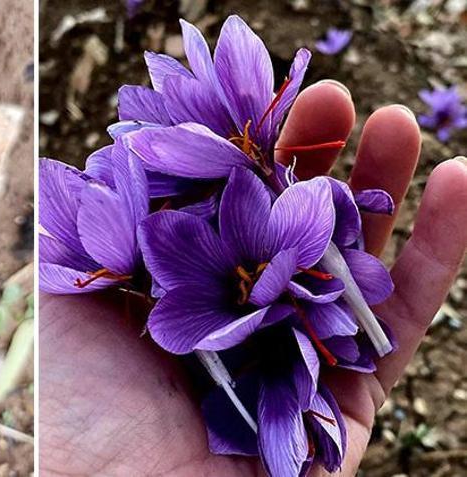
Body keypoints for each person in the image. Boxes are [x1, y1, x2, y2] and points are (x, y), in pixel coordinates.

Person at [39, 80, 467, 476]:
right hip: (231, 311)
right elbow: (167, 255)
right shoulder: (165, 238)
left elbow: (247, 197)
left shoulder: (240, 194)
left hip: (282, 293)